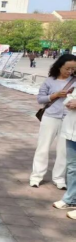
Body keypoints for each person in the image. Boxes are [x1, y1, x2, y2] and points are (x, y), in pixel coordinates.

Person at [30, 54, 76, 189]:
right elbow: (40, 99)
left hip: (69, 118)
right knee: (43, 148)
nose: (70, 71)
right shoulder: (50, 81)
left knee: (63, 151)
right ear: (59, 66)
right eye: (67, 68)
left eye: (73, 69)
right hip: (50, 117)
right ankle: (36, 176)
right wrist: (55, 95)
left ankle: (59, 178)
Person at [54, 86, 76, 217]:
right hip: (71, 131)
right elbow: (70, 98)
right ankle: (71, 199)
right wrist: (69, 101)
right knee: (72, 167)